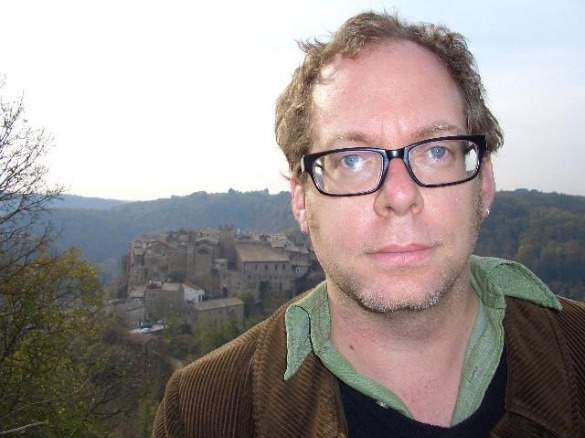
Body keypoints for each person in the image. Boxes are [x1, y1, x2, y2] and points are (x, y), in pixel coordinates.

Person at [153, 11, 585, 437]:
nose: (399, 196)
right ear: (301, 199)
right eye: (351, 160)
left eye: (436, 151)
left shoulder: (577, 347)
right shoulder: (201, 414)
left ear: (484, 184)